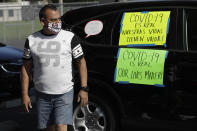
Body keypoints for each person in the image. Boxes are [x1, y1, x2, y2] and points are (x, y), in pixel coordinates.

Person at [21, 4, 88, 131]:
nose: (58, 22)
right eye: (53, 20)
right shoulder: (31, 40)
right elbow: (25, 69)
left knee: (60, 127)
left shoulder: (70, 38)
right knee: (49, 128)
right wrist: (24, 94)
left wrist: (84, 88)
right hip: (42, 94)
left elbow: (81, 62)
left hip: (65, 92)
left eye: (59, 19)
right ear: (42, 21)